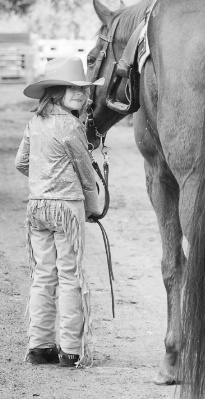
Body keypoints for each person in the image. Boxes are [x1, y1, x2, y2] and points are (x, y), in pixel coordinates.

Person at [15, 57, 102, 367]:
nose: (80, 92)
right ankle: (70, 349)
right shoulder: (70, 126)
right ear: (55, 91)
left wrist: (44, 182)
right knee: (69, 276)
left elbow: (22, 163)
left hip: (37, 207)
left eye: (83, 88)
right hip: (67, 209)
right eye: (72, 87)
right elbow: (85, 172)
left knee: (42, 275)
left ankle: (39, 346)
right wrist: (93, 209)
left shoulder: (34, 122)